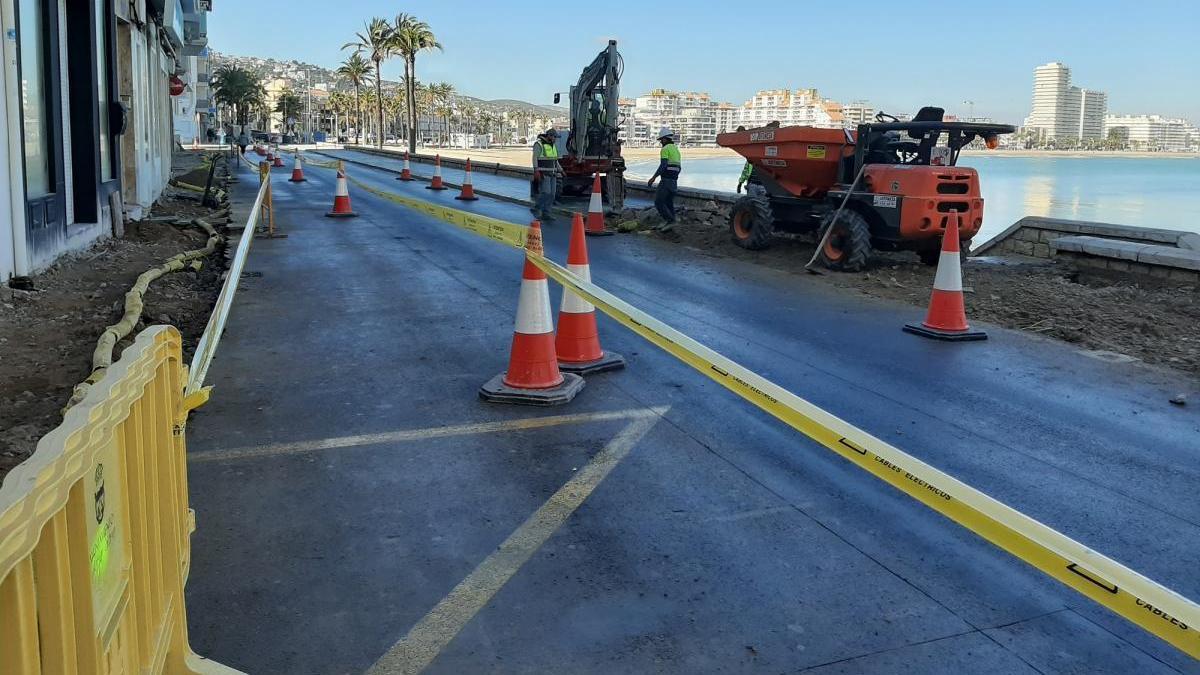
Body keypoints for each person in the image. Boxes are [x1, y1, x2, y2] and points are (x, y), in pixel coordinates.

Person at [647, 127, 681, 232]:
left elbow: (663, 165)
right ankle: (671, 220)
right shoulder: (675, 149)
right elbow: (679, 167)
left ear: (665, 139)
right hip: (674, 180)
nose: (661, 142)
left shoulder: (665, 149)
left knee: (659, 202)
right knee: (668, 201)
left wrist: (653, 178)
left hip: (666, 179)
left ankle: (670, 220)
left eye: (661, 140)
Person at [531, 128, 561, 222]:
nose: (555, 139)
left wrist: (561, 170)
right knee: (546, 192)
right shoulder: (539, 144)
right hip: (543, 173)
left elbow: (555, 160)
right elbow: (535, 157)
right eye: (554, 137)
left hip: (553, 173)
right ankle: (537, 207)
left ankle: (546, 212)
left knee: (552, 194)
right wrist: (536, 170)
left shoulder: (553, 146)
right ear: (549, 136)